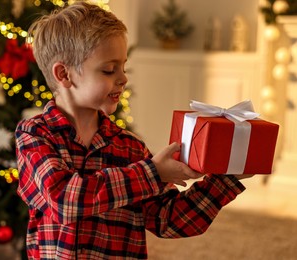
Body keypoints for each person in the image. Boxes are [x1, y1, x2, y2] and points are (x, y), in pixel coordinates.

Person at [15, 2, 252, 259]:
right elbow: (65, 200)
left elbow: (171, 221)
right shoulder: (35, 135)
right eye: (108, 69)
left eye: (123, 67)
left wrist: (227, 179)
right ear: (64, 74)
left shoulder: (130, 147)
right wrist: (152, 173)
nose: (123, 78)